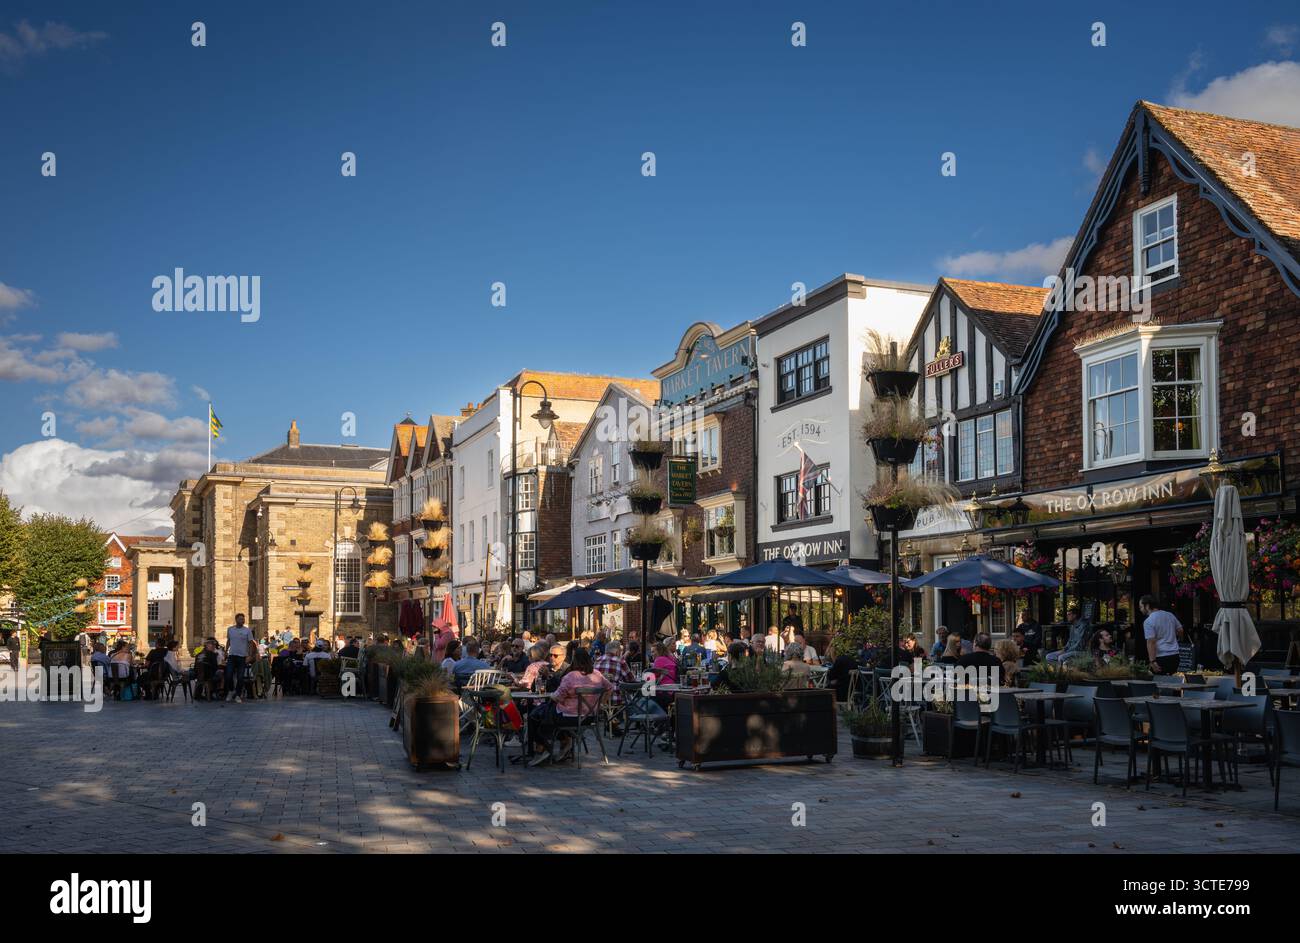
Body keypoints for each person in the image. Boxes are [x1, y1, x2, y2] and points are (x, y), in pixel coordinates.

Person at [1140, 595, 1182, 675]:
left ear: (1147, 606)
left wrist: (1152, 661)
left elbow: (1151, 642)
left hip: (1161, 657)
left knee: (1160, 683)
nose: (1140, 609)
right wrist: (1177, 639)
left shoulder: (1148, 621)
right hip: (1175, 656)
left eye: (1141, 607)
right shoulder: (1170, 615)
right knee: (1172, 681)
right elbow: (1180, 630)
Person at [593, 640, 636, 705]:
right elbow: (631, 680)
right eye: (620, 651)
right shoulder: (620, 661)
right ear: (616, 652)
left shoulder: (596, 661)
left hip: (599, 701)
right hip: (616, 701)